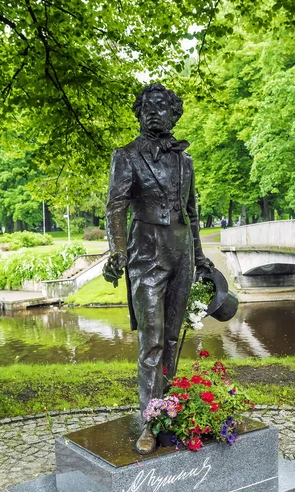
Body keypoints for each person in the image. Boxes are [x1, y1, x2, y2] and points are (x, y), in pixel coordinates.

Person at [103, 83, 213, 454]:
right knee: (150, 340)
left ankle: (168, 410)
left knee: (170, 339)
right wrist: (117, 250)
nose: (154, 111)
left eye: (162, 106)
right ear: (139, 113)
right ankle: (149, 422)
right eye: (147, 106)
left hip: (180, 250)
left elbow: (192, 213)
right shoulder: (126, 155)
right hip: (147, 253)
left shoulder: (186, 161)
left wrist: (200, 258)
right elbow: (115, 206)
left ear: (173, 113)